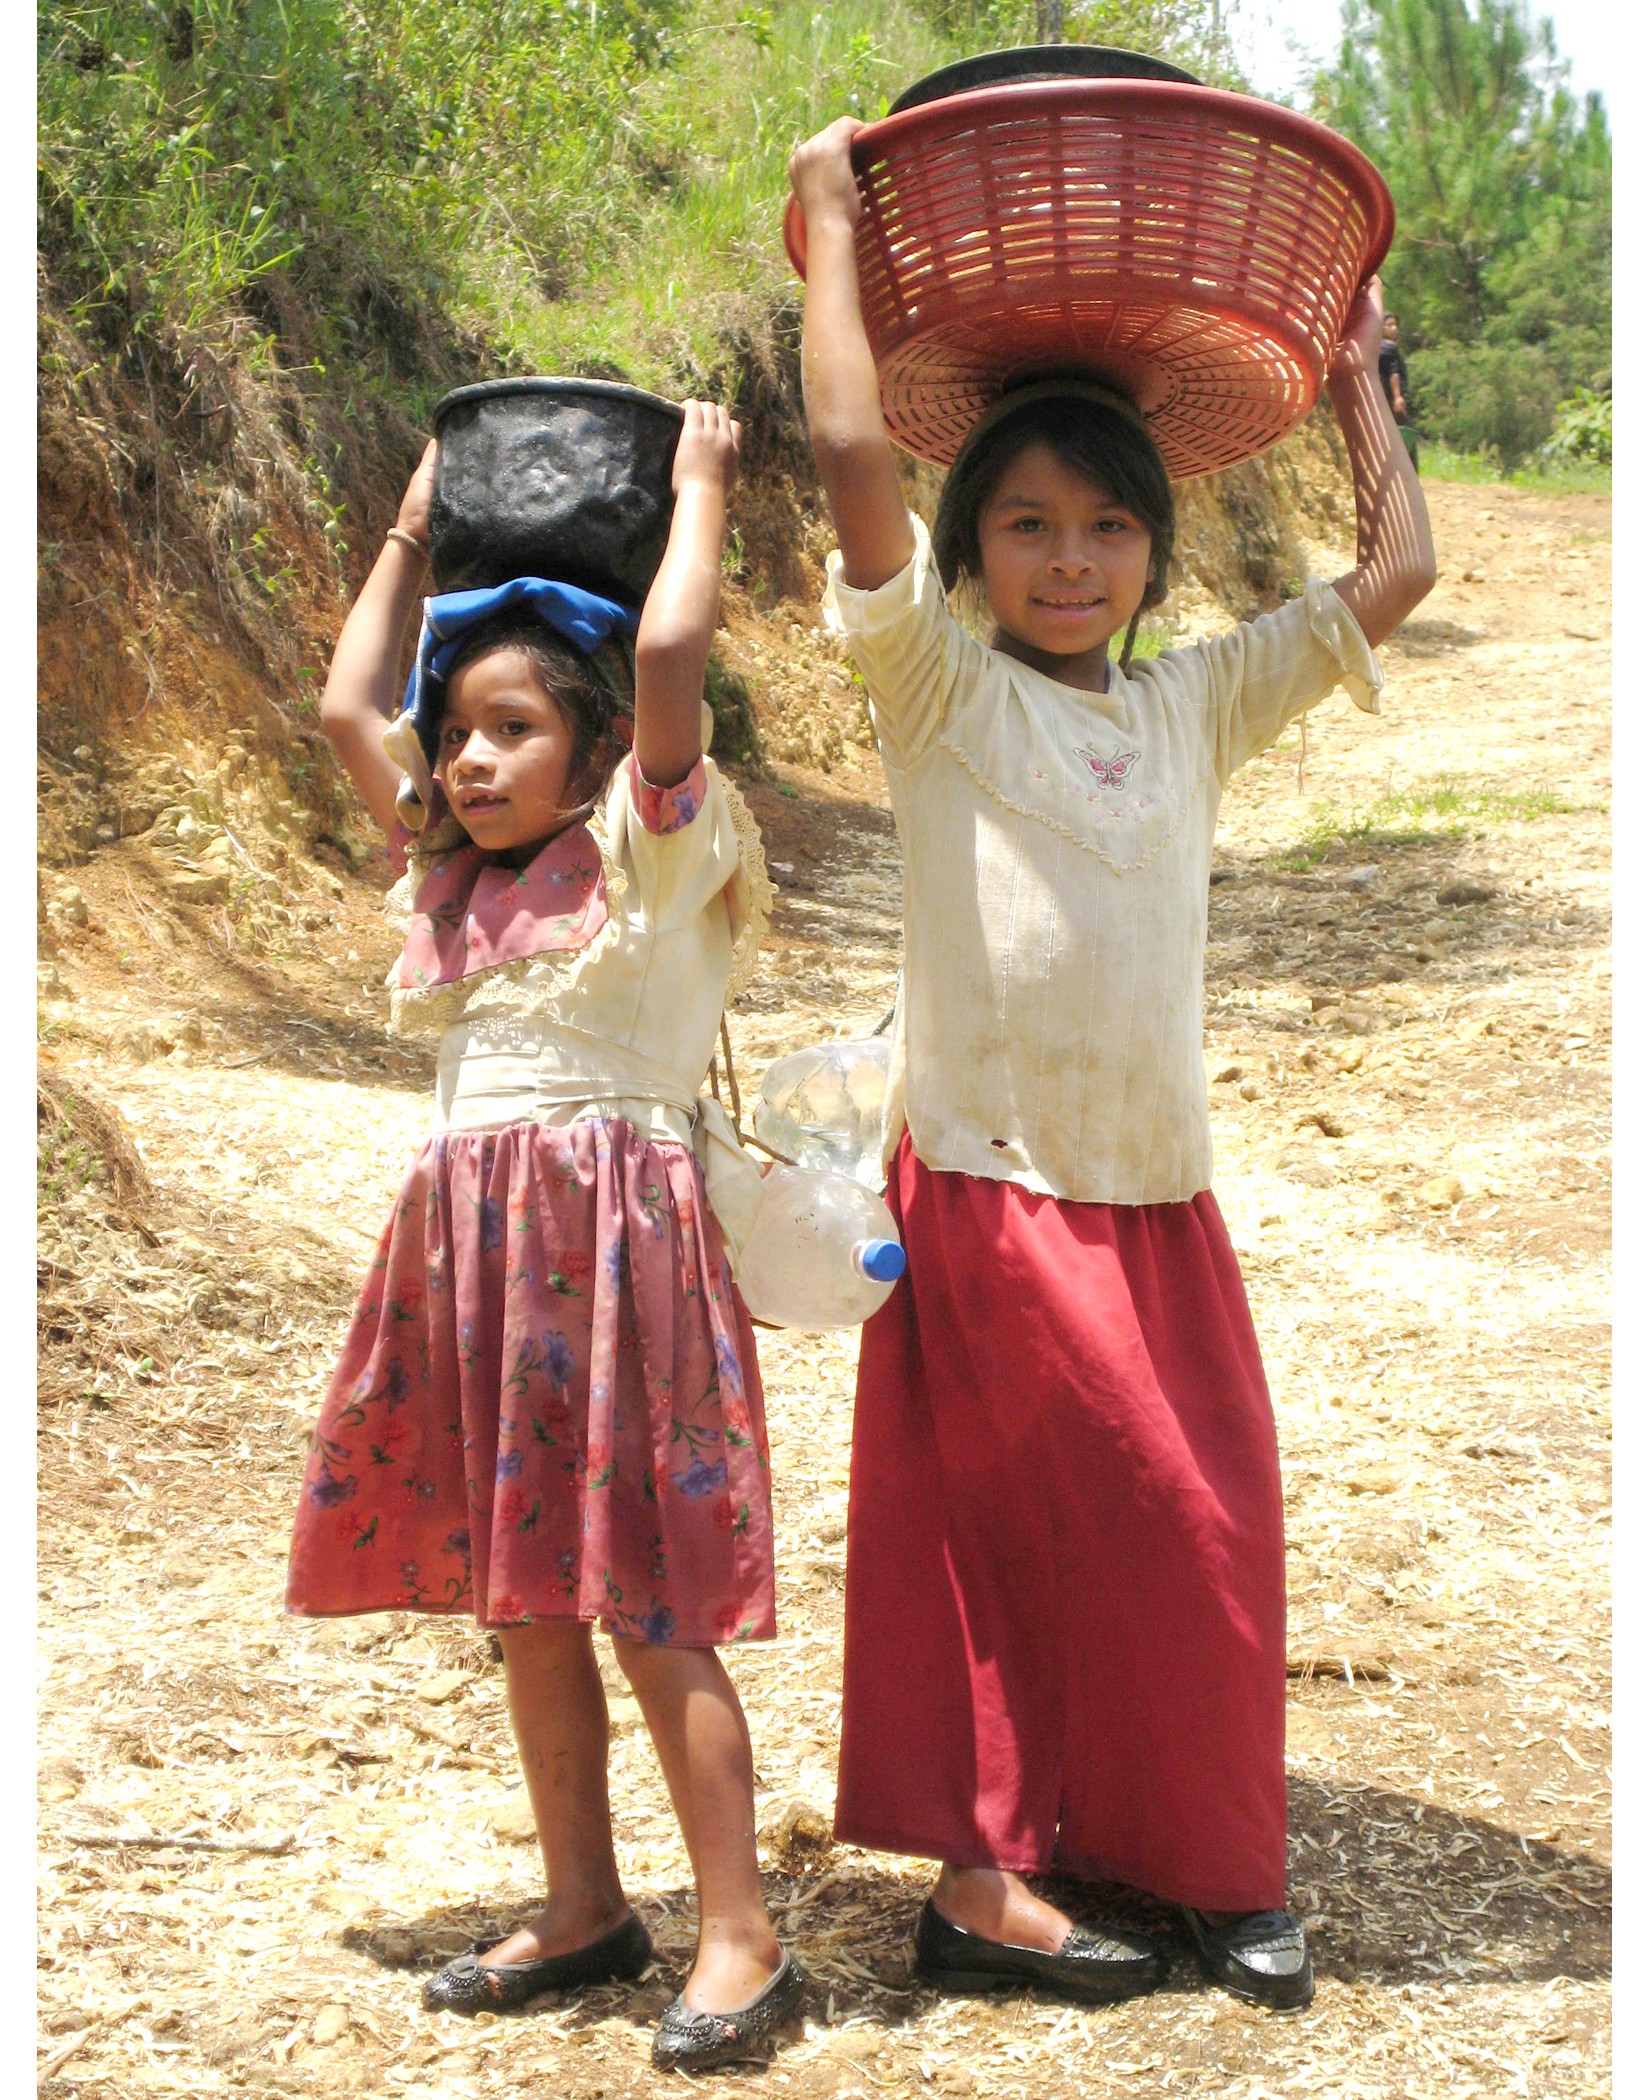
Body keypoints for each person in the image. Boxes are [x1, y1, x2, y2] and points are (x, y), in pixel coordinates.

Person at [787, 116, 1435, 2015]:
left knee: (1194, 1517)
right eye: (1026, 525)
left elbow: (1400, 565)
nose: (1070, 560)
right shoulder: (938, 692)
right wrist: (830, 229)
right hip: (986, 1179)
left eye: (1109, 525)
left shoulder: (1193, 704)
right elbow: (845, 447)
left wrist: (1355, 367)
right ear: (971, 549)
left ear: (1157, 551)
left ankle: (1209, 1867)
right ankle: (987, 1886)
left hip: (1154, 1185)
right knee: (1006, 1533)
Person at [285, 402, 804, 2072]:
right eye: (461, 737)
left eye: (511, 731)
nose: (466, 761)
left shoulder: (654, 859)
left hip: (627, 1263)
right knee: (531, 1607)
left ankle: (741, 1928)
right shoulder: (446, 880)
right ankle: (586, 1906)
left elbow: (667, 658)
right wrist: (414, 535)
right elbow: (345, 702)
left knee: (659, 1610)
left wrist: (703, 494)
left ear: (592, 753)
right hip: (484, 1270)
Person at [1378, 312, 1420, 469]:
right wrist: (1397, 397)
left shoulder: (1376, 348)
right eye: (1389, 325)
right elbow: (1393, 373)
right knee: (1406, 434)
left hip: (1380, 399)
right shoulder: (1389, 348)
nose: (1394, 329)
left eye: (1395, 325)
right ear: (1380, 328)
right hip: (1391, 399)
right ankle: (1408, 471)